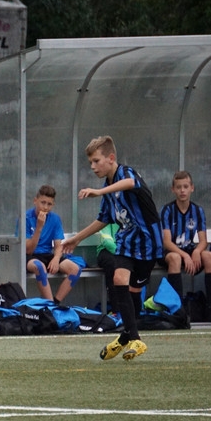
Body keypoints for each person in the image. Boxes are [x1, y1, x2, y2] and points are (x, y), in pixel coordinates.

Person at [62, 135, 162, 361]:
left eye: (96, 161)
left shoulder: (126, 173)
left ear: (111, 158)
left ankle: (126, 336)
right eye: (90, 162)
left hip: (147, 241)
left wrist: (99, 192)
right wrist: (76, 239)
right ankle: (135, 338)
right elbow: (103, 219)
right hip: (127, 240)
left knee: (134, 292)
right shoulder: (108, 188)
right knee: (119, 279)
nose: (93, 166)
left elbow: (130, 184)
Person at [159, 170, 211, 321]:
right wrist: (185, 255)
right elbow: (166, 242)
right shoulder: (167, 210)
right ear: (173, 189)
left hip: (188, 250)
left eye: (185, 187)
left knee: (209, 255)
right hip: (170, 252)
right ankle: (178, 310)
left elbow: (203, 240)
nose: (182, 190)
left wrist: (197, 251)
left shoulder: (197, 210)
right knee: (175, 258)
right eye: (179, 187)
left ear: (192, 188)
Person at [23, 184, 83, 303]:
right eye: (43, 203)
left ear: (53, 205)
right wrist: (39, 227)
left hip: (47, 254)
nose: (45, 207)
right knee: (39, 266)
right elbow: (28, 250)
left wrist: (56, 259)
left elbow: (58, 245)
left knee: (75, 269)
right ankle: (50, 305)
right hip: (30, 256)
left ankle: (55, 303)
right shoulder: (26, 218)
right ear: (35, 201)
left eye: (49, 204)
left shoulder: (55, 219)